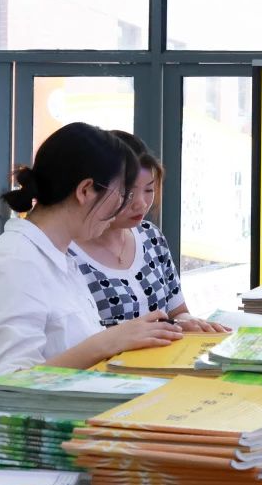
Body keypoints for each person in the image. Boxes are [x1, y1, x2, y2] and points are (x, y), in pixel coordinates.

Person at [0, 123, 183, 467]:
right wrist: (108, 341)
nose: (124, 208)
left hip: (43, 451)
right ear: (85, 191)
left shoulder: (59, 258)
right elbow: (5, 385)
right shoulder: (14, 264)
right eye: (121, 195)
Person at [69, 131, 227, 334]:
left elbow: (177, 312)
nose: (141, 204)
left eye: (149, 190)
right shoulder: (67, 253)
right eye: (128, 192)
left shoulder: (150, 236)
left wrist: (191, 323)